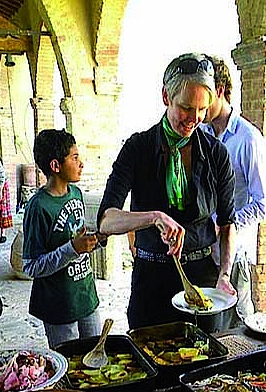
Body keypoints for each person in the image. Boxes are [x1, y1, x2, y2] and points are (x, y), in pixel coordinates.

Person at [97, 52, 237, 331]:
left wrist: (224, 273)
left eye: (202, 109)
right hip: (152, 281)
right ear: (165, 96)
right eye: (186, 107)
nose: (194, 118)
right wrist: (153, 217)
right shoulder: (137, 149)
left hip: (203, 282)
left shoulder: (216, 154)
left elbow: (227, 222)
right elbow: (106, 220)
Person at [200, 55, 266, 328]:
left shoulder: (248, 139)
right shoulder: (202, 134)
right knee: (209, 326)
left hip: (237, 252)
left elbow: (263, 203)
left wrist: (226, 223)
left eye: (204, 96)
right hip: (205, 252)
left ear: (219, 90)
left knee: (239, 325)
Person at [23, 129, 103, 349]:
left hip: (85, 297)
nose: (81, 163)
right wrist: (72, 249)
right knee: (69, 366)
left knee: (96, 361)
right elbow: (31, 266)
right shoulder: (38, 207)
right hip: (59, 306)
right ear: (55, 166)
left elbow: (77, 240)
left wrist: (97, 240)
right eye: (75, 158)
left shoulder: (76, 194)